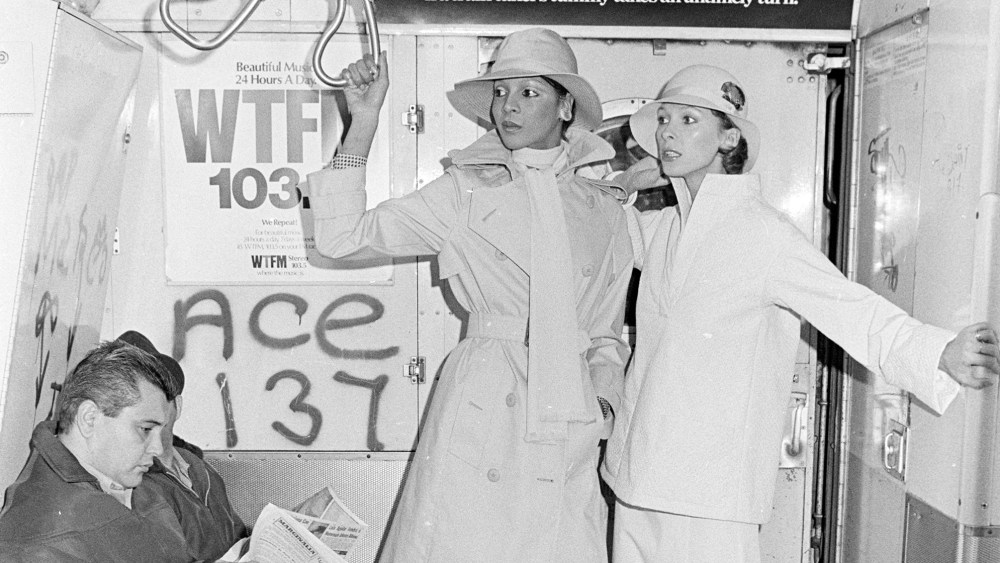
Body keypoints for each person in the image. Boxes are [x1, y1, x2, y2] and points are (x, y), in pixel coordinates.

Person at [600, 64, 1000, 562]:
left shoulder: (764, 234)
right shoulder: (659, 229)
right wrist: (627, 182)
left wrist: (938, 351)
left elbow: (848, 306)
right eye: (663, 120)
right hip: (636, 478)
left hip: (710, 492)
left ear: (728, 139)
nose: (667, 134)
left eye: (688, 120)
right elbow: (593, 231)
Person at [306, 28, 633, 562]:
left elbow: (605, 333)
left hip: (567, 410)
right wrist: (362, 121)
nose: (508, 107)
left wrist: (602, 405)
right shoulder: (464, 190)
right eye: (501, 93)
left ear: (566, 105)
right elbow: (343, 239)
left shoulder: (604, 209)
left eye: (530, 93)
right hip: (487, 397)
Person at [0, 340, 190, 562]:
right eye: (145, 429)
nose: (157, 449)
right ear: (89, 419)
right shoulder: (42, 546)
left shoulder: (125, 479)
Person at [118, 330, 248, 561]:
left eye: (155, 398)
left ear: (177, 405)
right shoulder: (131, 483)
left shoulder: (198, 466)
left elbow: (238, 537)